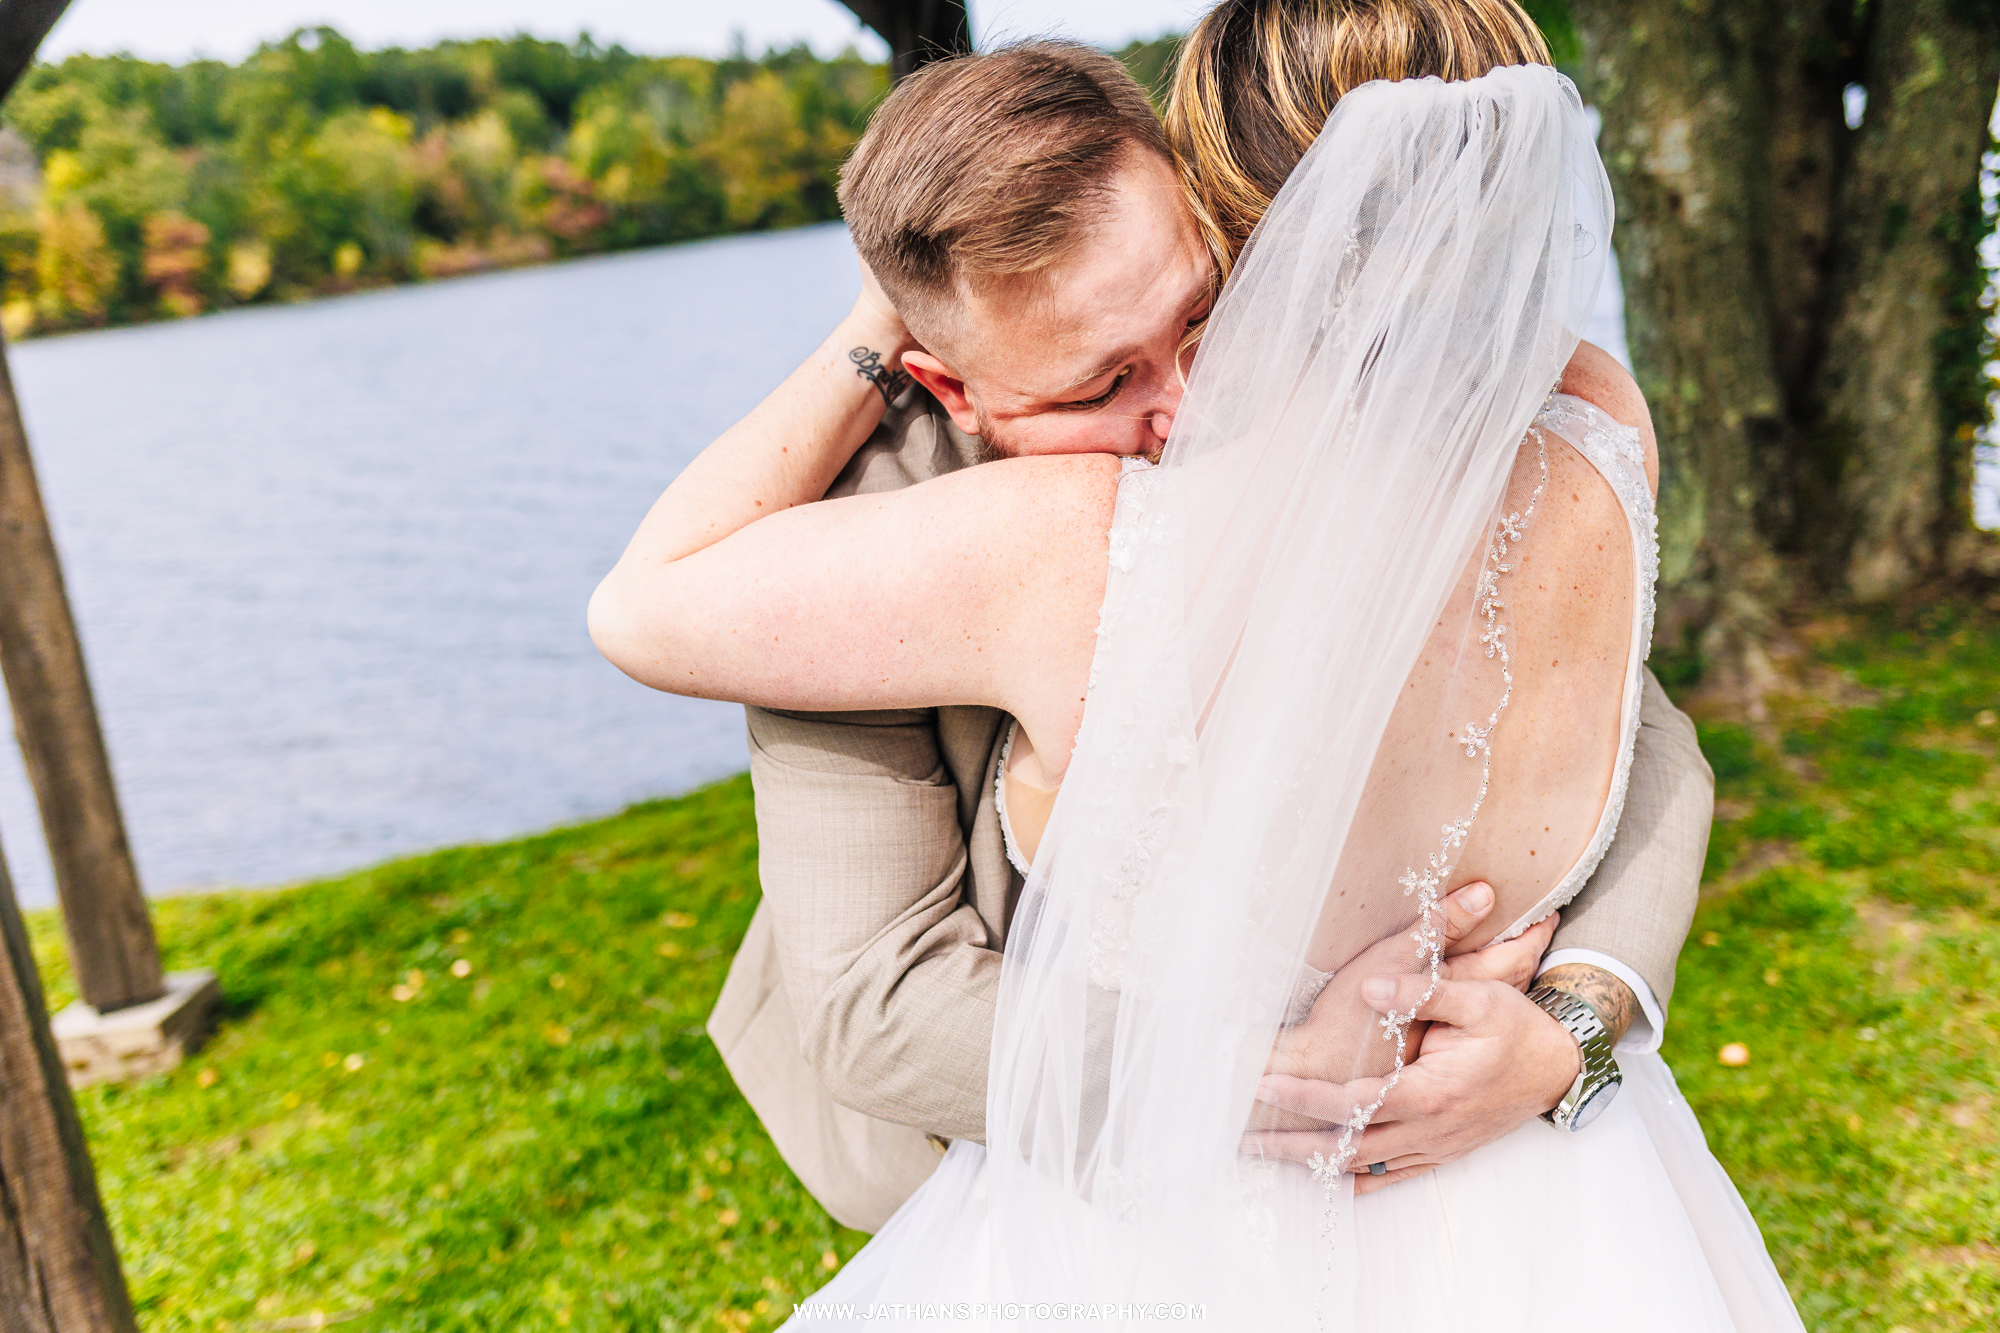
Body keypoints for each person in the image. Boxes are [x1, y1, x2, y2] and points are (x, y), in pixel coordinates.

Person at [590, 5, 1804, 1329]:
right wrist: (1259, 1073)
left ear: (1225, 218)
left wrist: (1574, 1020)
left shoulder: (1464, 429)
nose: (1190, 398)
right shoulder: (888, 516)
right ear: (951, 386)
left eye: (1207, 309)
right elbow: (872, 994)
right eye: (1102, 381)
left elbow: (1638, 724)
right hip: (1132, 1178)